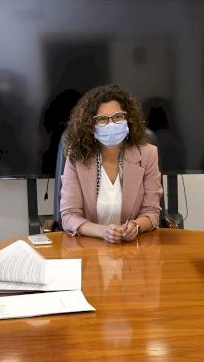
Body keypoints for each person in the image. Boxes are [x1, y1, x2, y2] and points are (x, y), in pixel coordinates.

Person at [59, 84, 162, 243]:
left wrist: (135, 227)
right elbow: (69, 216)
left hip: (133, 248)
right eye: (102, 119)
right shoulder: (77, 158)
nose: (111, 124)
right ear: (90, 125)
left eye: (118, 117)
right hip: (88, 247)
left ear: (128, 119)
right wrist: (104, 232)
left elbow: (152, 212)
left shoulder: (148, 154)